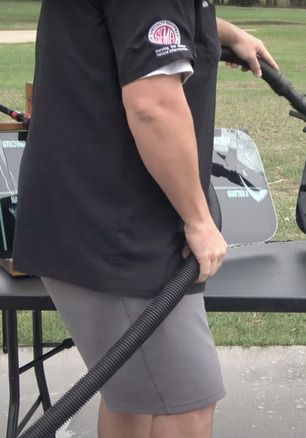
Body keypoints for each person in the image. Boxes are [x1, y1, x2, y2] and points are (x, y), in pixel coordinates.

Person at [12, 1, 278, 437]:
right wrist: (198, 218)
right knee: (186, 404)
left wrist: (222, 31)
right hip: (118, 233)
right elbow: (152, 106)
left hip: (90, 218)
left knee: (133, 398)